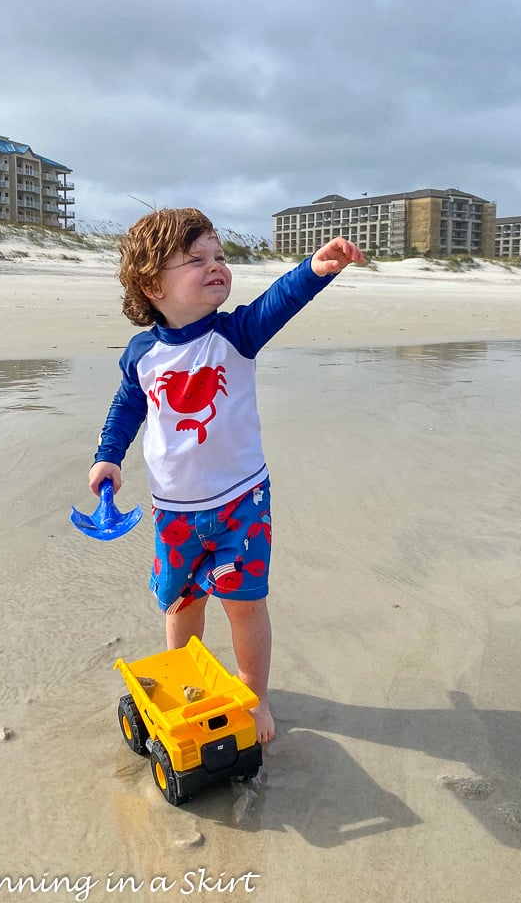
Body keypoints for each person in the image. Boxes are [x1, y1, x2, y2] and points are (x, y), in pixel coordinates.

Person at [88, 207, 363, 743]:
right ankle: (184, 680)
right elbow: (128, 406)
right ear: (151, 284)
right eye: (196, 259)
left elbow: (277, 302)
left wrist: (313, 269)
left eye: (220, 256)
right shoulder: (142, 353)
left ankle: (254, 697)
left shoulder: (235, 334)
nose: (216, 266)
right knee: (181, 603)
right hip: (174, 510)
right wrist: (108, 456)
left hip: (241, 503)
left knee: (244, 603)